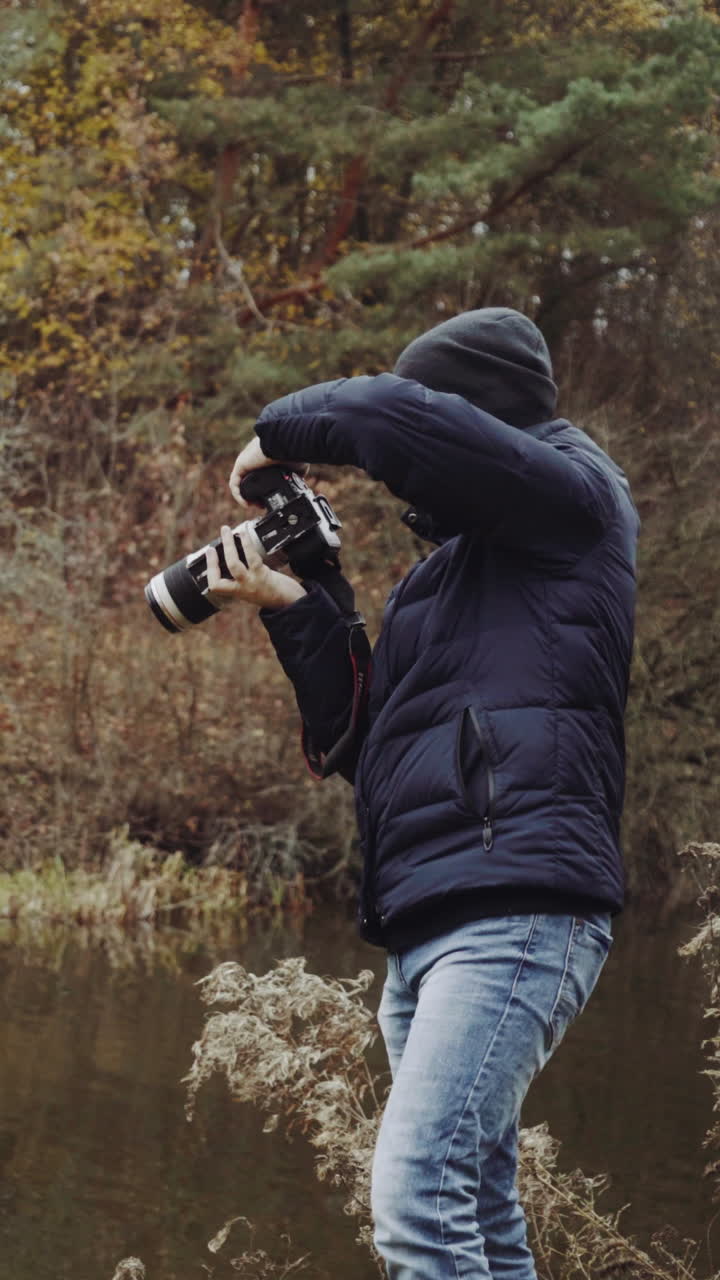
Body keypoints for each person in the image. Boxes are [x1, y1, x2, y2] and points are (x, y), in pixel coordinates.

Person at [206, 308, 639, 1280]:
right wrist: (296, 595)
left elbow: (393, 417)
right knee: (475, 1206)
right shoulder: (442, 579)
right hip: (428, 925)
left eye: (443, 404)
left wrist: (274, 434)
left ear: (481, 411)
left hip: (517, 908)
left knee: (414, 1199)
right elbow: (365, 740)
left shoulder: (578, 497)